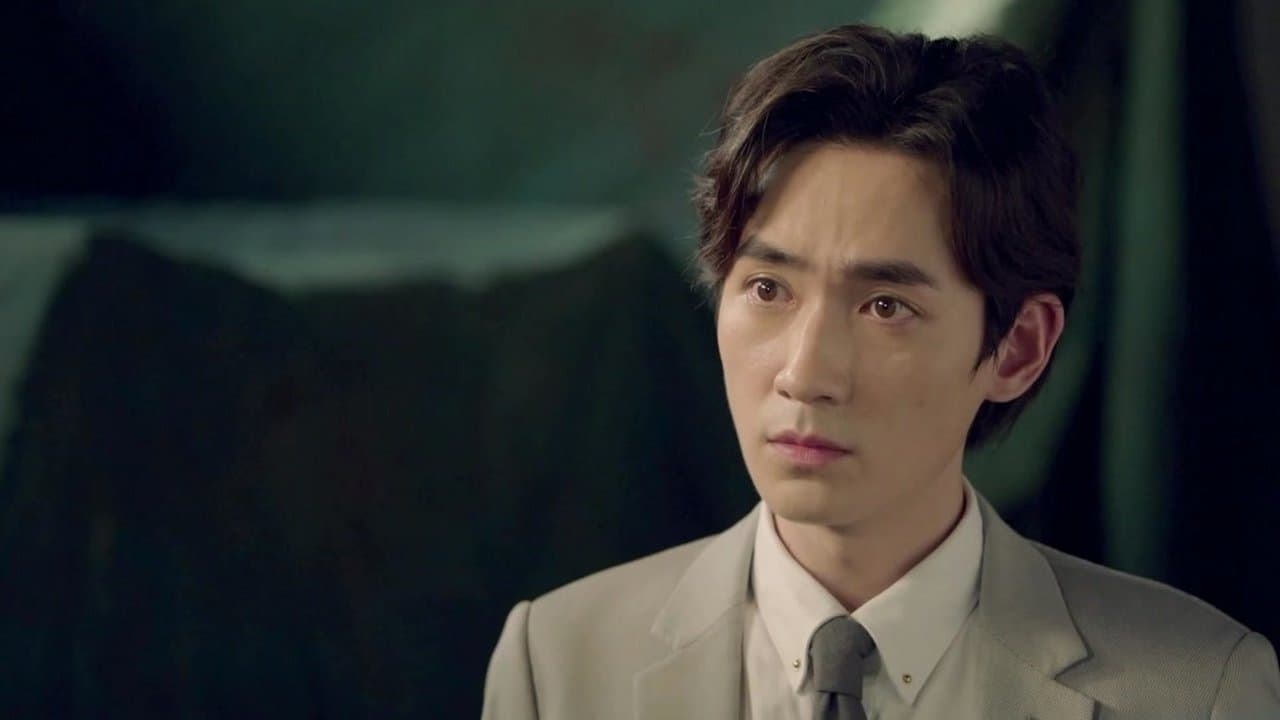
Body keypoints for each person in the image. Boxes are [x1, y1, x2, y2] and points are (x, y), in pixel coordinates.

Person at [480, 23, 1280, 719]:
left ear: (1018, 348)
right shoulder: (557, 663)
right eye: (767, 289)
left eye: (885, 306)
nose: (805, 374)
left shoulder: (1198, 690)